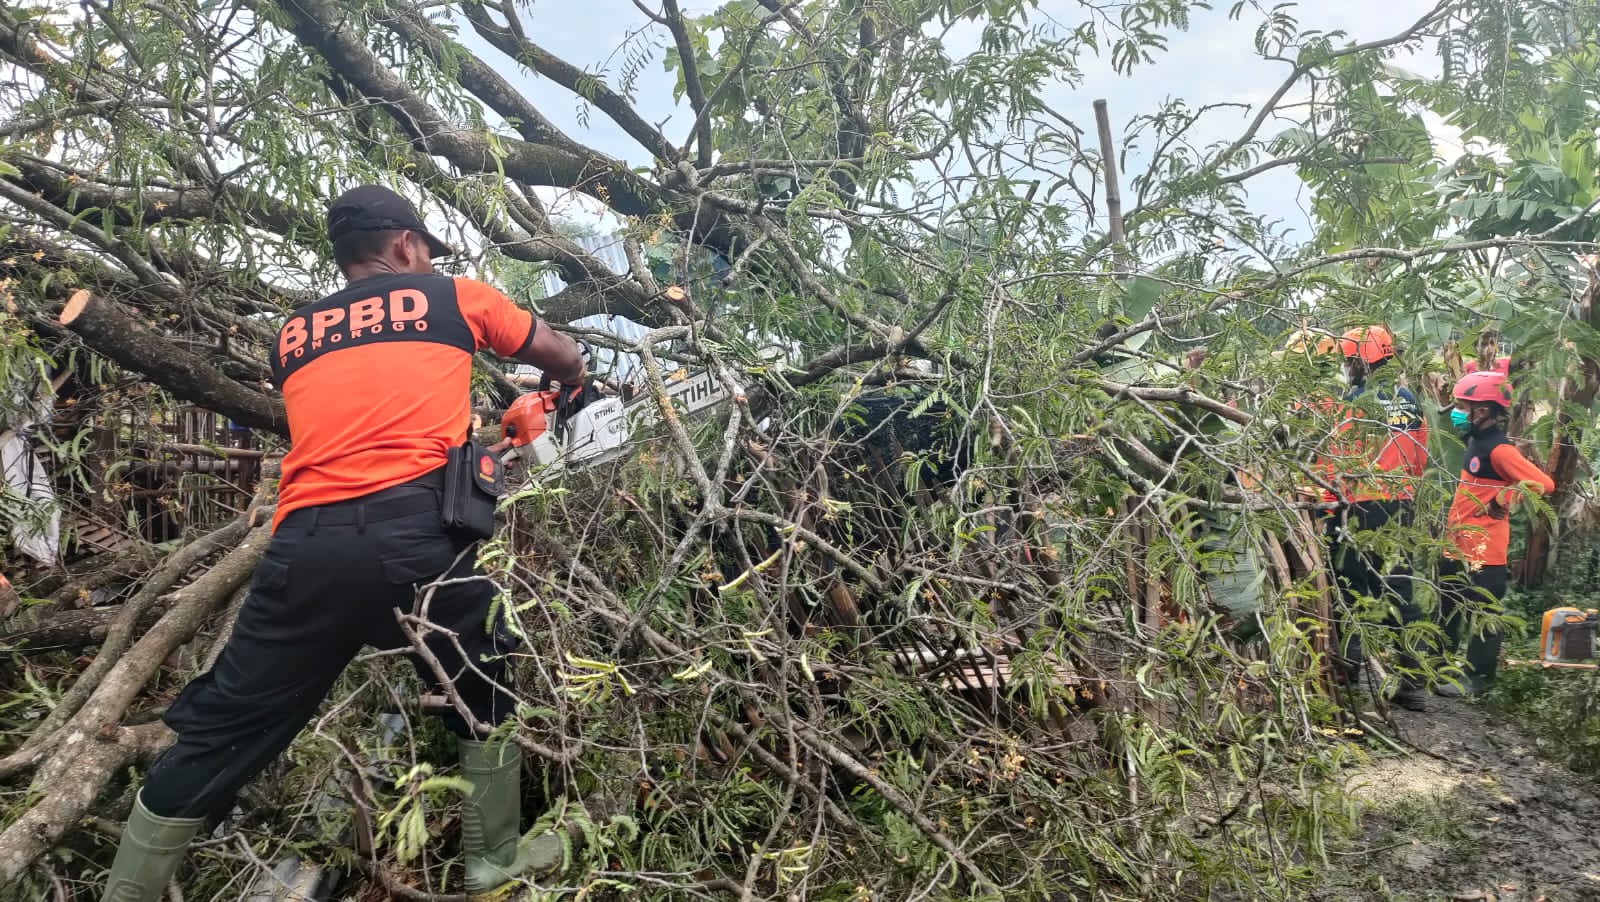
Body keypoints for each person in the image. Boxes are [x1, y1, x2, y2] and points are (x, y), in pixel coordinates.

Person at [100, 185, 588, 901]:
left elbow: (367, 399)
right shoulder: (457, 297)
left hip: (303, 549)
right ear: (402, 245)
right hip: (418, 540)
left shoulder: (291, 337)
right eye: (423, 248)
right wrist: (567, 383)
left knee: (223, 728)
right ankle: (493, 859)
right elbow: (560, 351)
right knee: (483, 683)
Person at [1319, 326, 1430, 710]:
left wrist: (1326, 502)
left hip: (1357, 504)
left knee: (1348, 585)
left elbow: (1336, 456)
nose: (1347, 367)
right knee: (1399, 589)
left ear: (1360, 360)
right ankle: (1413, 682)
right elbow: (1420, 456)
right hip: (1399, 504)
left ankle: (1347, 668)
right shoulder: (1409, 401)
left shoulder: (1353, 401)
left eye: (1349, 360)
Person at [1436, 370, 1554, 697]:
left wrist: (1504, 498)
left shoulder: (1501, 450)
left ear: (1483, 411)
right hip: (1456, 543)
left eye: (1463, 406)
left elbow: (1544, 484)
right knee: (1447, 607)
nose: (1457, 412)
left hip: (1484, 550)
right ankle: (1438, 665)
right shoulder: (1474, 439)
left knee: (1483, 615)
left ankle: (1478, 679)